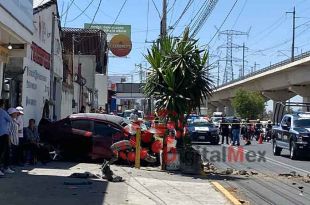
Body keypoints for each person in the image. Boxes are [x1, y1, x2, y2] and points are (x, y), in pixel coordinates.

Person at [0, 100, 12, 176]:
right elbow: (10, 119)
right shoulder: (3, 112)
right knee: (5, 151)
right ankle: (5, 167)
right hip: (3, 134)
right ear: (2, 105)